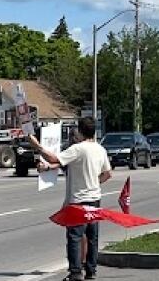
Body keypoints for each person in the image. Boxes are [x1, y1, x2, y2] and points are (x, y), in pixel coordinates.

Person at [28, 118, 112, 281]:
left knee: (75, 236)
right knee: (92, 236)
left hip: (78, 200)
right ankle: (91, 270)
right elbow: (108, 174)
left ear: (80, 131)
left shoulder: (78, 149)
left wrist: (37, 146)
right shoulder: (100, 149)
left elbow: (54, 159)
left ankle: (75, 273)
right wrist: (94, 182)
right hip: (95, 198)